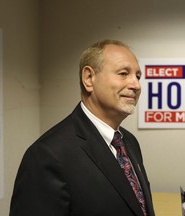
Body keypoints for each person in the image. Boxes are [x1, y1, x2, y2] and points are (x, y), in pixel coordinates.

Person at [9, 39, 155, 216]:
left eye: (138, 76)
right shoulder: (47, 155)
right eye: (123, 74)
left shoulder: (129, 141)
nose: (136, 85)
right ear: (89, 78)